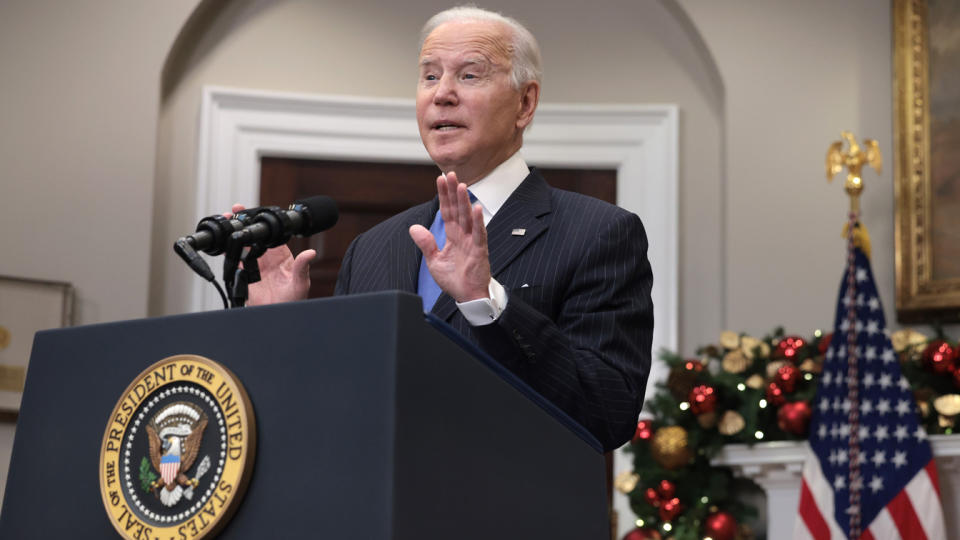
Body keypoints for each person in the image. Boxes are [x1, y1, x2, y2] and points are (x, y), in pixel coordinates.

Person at [238, 6, 653, 452]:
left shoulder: (599, 233)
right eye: (430, 76)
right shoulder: (372, 249)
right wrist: (281, 329)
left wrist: (487, 302)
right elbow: (334, 408)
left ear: (525, 103)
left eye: (470, 76)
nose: (443, 95)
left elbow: (607, 413)